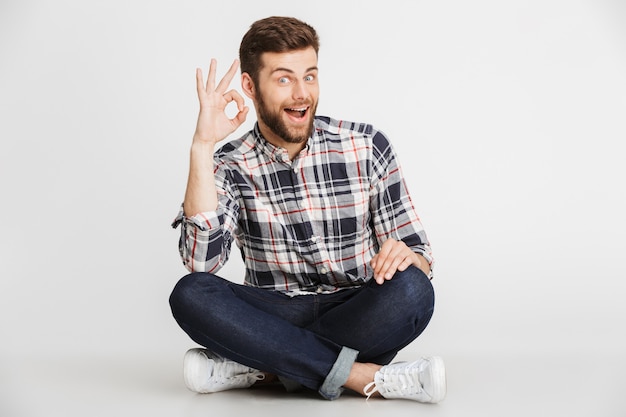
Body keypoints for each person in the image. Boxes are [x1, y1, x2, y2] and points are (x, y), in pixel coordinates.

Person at [169, 15, 446, 403]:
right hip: (273, 310)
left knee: (414, 291)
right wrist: (202, 146)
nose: (302, 94)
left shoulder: (366, 145)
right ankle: (359, 375)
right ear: (250, 86)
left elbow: (421, 258)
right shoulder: (228, 163)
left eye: (310, 76)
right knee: (191, 293)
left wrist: (409, 258)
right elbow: (201, 264)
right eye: (284, 79)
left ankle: (263, 367)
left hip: (354, 306)